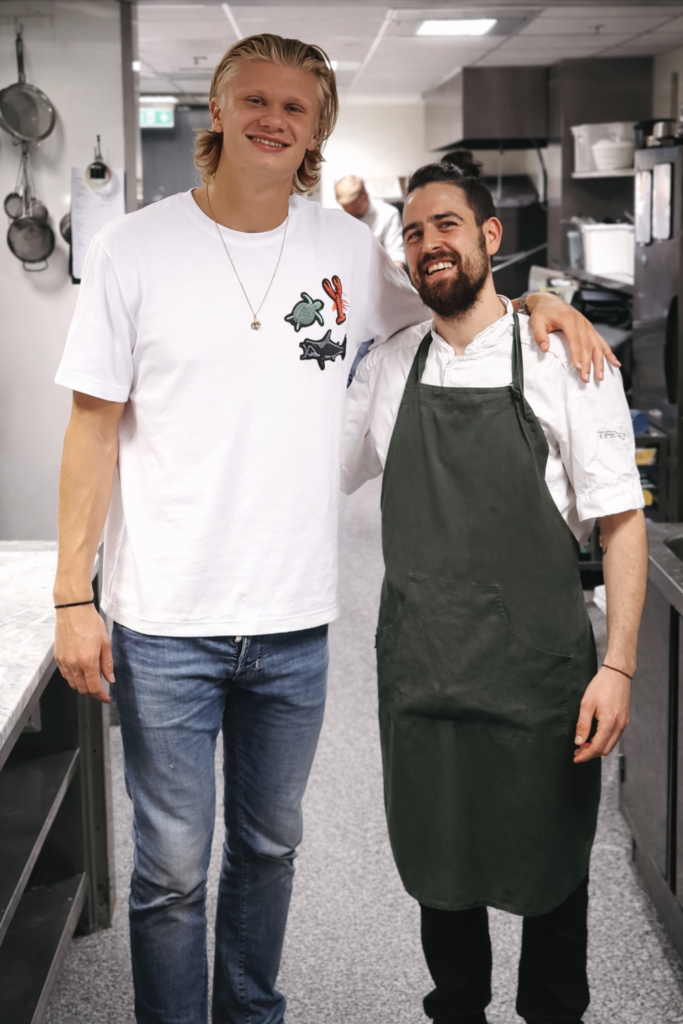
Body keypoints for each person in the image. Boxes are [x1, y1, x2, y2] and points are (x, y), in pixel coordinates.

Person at [52, 33, 617, 1024]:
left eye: (296, 106)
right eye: (252, 98)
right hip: (164, 614)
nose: (274, 117)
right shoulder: (129, 248)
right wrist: (72, 595)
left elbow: (458, 299)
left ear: (315, 131)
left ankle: (251, 1013)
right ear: (215, 114)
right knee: (174, 867)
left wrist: (541, 300)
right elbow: (90, 430)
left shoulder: (348, 251)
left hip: (294, 621)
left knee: (271, 852)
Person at [341, 153, 648, 1024]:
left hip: (538, 676)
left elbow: (620, 519)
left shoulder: (563, 355)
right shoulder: (391, 367)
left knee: (552, 871)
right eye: (411, 233)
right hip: (426, 672)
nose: (428, 244)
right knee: (443, 872)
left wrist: (617, 666)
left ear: (487, 236)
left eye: (445, 226)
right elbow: (314, 463)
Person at [335, 174, 406, 268]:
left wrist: (394, 280)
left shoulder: (388, 214)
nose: (351, 216)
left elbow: (397, 256)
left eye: (354, 211)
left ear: (364, 195)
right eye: (347, 212)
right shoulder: (338, 217)